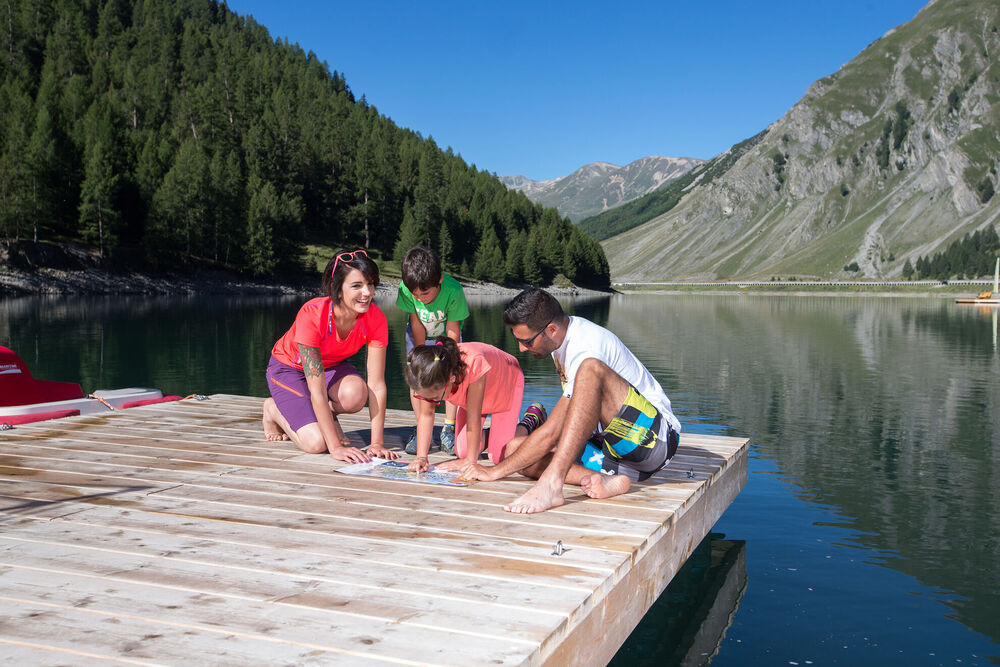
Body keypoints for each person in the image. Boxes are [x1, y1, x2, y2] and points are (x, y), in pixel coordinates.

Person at [461, 288, 681, 513]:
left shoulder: (587, 346)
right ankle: (605, 480)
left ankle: (552, 484)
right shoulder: (559, 343)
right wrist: (496, 469)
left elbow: (552, 432)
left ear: (552, 329)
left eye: (526, 341)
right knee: (515, 451)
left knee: (590, 368)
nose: (520, 349)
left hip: (654, 442)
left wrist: (495, 472)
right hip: (613, 455)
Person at [262, 249, 398, 463]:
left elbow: (377, 385)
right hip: (288, 369)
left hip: (330, 367)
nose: (367, 292)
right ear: (336, 288)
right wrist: (335, 447)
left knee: (356, 395)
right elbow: (316, 391)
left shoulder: (375, 318)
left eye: (371, 284)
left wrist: (377, 444)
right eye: (357, 285)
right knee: (317, 443)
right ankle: (273, 409)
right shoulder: (313, 314)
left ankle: (318, 415)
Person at [404, 337, 546, 474]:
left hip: (505, 382)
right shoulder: (427, 374)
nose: (433, 401)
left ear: (451, 379)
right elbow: (426, 414)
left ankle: (531, 420)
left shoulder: (473, 363)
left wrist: (470, 462)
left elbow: (473, 417)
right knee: (462, 451)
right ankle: (495, 433)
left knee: (499, 456)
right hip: (474, 394)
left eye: (435, 398)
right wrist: (421, 457)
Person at [396, 246, 470, 455]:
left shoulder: (453, 290)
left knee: (451, 377)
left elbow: (453, 327)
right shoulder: (405, 288)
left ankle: (449, 426)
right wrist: (421, 355)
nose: (420, 298)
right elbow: (416, 322)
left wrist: (447, 357)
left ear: (439, 280)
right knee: (417, 378)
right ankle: (422, 428)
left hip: (446, 337)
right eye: (415, 294)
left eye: (425, 293)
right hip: (418, 335)